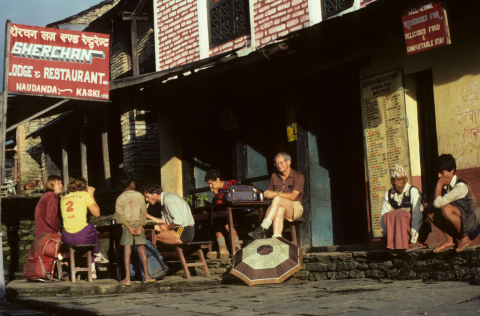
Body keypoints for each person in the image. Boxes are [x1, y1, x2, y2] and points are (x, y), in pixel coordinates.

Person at [428, 154, 480, 253]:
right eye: (438, 172)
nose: (439, 176)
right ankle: (450, 240)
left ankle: (465, 239)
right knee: (429, 211)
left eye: (442, 173)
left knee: (446, 209)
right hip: (458, 227)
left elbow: (438, 204)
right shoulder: (445, 185)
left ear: (452, 170)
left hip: (473, 226)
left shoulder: (460, 186)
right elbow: (433, 204)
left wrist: (439, 184)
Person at [60, 176, 108, 280]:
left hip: (67, 238)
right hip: (82, 237)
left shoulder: (63, 198)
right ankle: (97, 253)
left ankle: (92, 269)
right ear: (84, 187)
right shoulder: (84, 195)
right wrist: (91, 195)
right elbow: (97, 213)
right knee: (91, 226)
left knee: (86, 229)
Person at [248, 152, 304, 239]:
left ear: (288, 162)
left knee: (277, 198)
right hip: (278, 206)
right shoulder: (274, 176)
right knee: (279, 208)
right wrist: (267, 194)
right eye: (277, 163)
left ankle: (263, 228)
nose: (279, 165)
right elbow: (270, 197)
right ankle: (276, 238)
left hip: (294, 207)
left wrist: (275, 194)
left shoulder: (298, 176)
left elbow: (293, 196)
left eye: (281, 162)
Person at [114, 172, 155, 285]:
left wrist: (128, 227)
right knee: (142, 251)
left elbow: (120, 214)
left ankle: (127, 278)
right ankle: (147, 277)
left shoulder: (119, 198)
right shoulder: (140, 196)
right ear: (132, 183)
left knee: (127, 252)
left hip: (127, 227)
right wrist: (140, 225)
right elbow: (143, 212)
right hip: (139, 225)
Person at [380, 163, 427, 251]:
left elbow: (417, 215)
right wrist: (388, 236)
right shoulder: (389, 194)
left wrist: (413, 240)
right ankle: (396, 243)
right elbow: (384, 217)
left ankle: (414, 242)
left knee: (400, 213)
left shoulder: (413, 191)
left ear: (406, 180)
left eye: (399, 179)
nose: (396, 183)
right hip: (399, 231)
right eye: (393, 180)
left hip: (417, 228)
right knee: (389, 215)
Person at [204, 169, 241, 258]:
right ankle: (223, 249)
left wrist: (216, 193)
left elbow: (225, 200)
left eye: (211, 183)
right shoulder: (216, 190)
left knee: (226, 224)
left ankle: (237, 247)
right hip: (223, 213)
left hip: (236, 212)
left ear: (217, 180)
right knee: (216, 222)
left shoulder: (229, 186)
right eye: (209, 184)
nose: (210, 186)